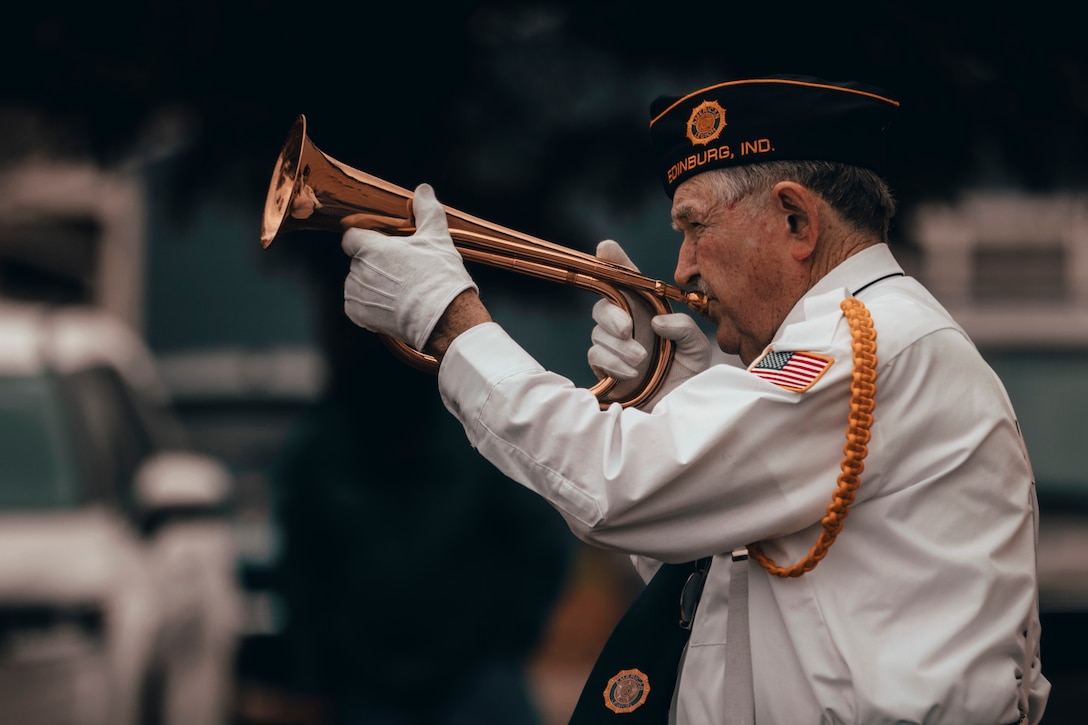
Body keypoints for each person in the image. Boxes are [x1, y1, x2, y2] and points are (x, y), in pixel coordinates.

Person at [337, 75, 1051, 724]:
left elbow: (619, 487)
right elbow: (737, 603)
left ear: (798, 223)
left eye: (695, 226)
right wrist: (676, 401)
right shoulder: (862, 334)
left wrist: (451, 320)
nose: (679, 266)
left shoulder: (859, 340)